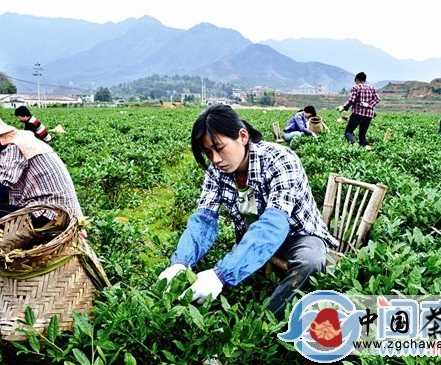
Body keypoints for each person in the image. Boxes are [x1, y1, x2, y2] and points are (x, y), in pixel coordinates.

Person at [157, 104, 336, 320]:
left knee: (310, 261)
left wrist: (221, 275)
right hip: (252, 237)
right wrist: (181, 262)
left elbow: (274, 225)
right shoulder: (217, 173)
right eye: (208, 152)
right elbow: (203, 221)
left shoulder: (280, 160)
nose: (215, 159)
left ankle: (266, 325)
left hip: (297, 234)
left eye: (219, 148)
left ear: (242, 136)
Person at [0, 113, 82, 284]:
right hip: (52, 210)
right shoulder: (21, 142)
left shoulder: (14, 147)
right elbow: (0, 188)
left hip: (51, 215)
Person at [337, 72, 380, 149]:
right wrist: (369, 105)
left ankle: (355, 146)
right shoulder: (371, 88)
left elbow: (351, 100)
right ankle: (366, 148)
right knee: (362, 135)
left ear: (357, 79)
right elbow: (377, 99)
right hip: (368, 115)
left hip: (358, 113)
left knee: (348, 132)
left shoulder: (356, 88)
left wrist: (344, 107)